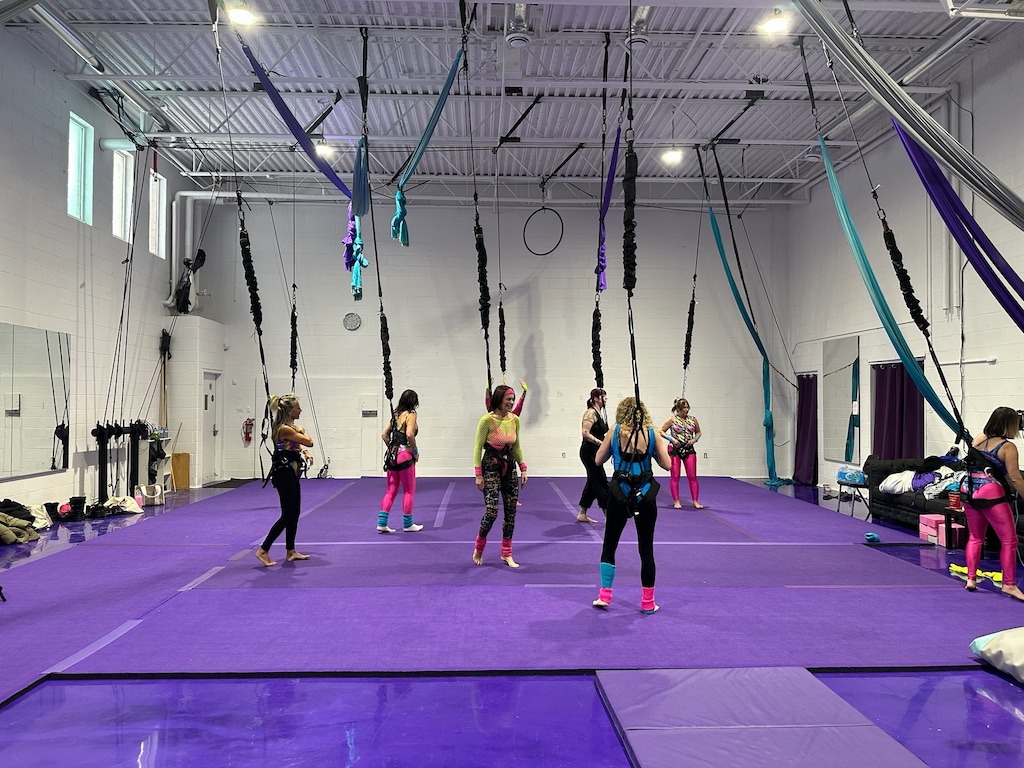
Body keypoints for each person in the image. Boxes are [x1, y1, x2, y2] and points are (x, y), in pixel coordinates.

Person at [592, 397, 672, 614]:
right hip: (645, 495)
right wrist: (655, 449)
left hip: (620, 494)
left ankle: (605, 595)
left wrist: (612, 447)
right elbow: (667, 464)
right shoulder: (652, 433)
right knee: (646, 549)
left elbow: (598, 460)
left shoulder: (615, 430)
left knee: (610, 544)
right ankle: (648, 602)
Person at [961, 407, 1024, 600]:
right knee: (1009, 540)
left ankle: (971, 579)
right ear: (1010, 425)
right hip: (990, 491)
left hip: (968, 488)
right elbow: (1015, 479)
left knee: (975, 536)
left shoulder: (979, 438)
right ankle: (1010, 585)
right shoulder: (1007, 447)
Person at [473, 384, 528, 567]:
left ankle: (506, 552)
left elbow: (517, 445)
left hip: (509, 467)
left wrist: (523, 467)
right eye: (508, 400)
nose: (511, 403)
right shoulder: (486, 420)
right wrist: (478, 475)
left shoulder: (515, 420)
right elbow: (477, 447)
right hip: (490, 467)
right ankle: (479, 546)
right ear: (498, 400)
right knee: (492, 511)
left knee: (511, 511)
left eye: (513, 400)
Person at [256, 393, 314, 567]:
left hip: (290, 471)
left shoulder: (288, 428)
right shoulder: (285, 428)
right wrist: (303, 432)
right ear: (290, 411)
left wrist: (303, 451)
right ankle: (263, 550)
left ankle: (290, 550)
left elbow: (296, 446)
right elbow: (309, 441)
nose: (300, 411)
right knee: (288, 514)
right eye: (298, 408)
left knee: (294, 513)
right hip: (284, 474)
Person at [377, 389, 423, 534]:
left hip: (393, 454)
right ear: (413, 402)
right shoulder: (411, 414)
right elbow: (409, 434)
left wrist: (391, 447)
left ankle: (382, 522)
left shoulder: (395, 414)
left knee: (391, 490)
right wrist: (414, 452)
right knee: (409, 491)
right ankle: (408, 524)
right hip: (405, 455)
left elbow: (384, 434)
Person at [659, 397, 703, 509]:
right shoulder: (672, 420)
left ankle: (695, 500)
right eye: (684, 408)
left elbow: (698, 432)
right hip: (675, 449)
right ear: (678, 408)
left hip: (688, 448)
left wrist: (695, 439)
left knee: (692, 476)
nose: (686, 410)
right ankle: (676, 501)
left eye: (687, 407)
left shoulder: (693, 420)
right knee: (675, 476)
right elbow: (660, 431)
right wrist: (671, 439)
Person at [577, 387, 609, 523]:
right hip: (588, 452)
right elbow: (585, 432)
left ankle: (582, 513)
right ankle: (608, 513)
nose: (606, 398)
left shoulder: (600, 413)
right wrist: (600, 443)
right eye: (604, 396)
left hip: (596, 452)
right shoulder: (590, 413)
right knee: (600, 480)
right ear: (596, 398)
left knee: (592, 481)